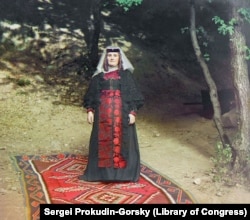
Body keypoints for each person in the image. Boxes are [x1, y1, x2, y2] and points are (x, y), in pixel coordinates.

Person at [79, 45, 144, 182]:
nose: (112, 58)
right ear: (106, 58)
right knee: (103, 142)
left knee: (121, 142)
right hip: (103, 116)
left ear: (119, 58)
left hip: (122, 114)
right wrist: (90, 110)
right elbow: (91, 95)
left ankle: (124, 174)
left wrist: (132, 112)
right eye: (109, 56)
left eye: (115, 56)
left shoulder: (126, 76)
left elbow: (134, 95)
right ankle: (103, 175)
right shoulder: (99, 77)